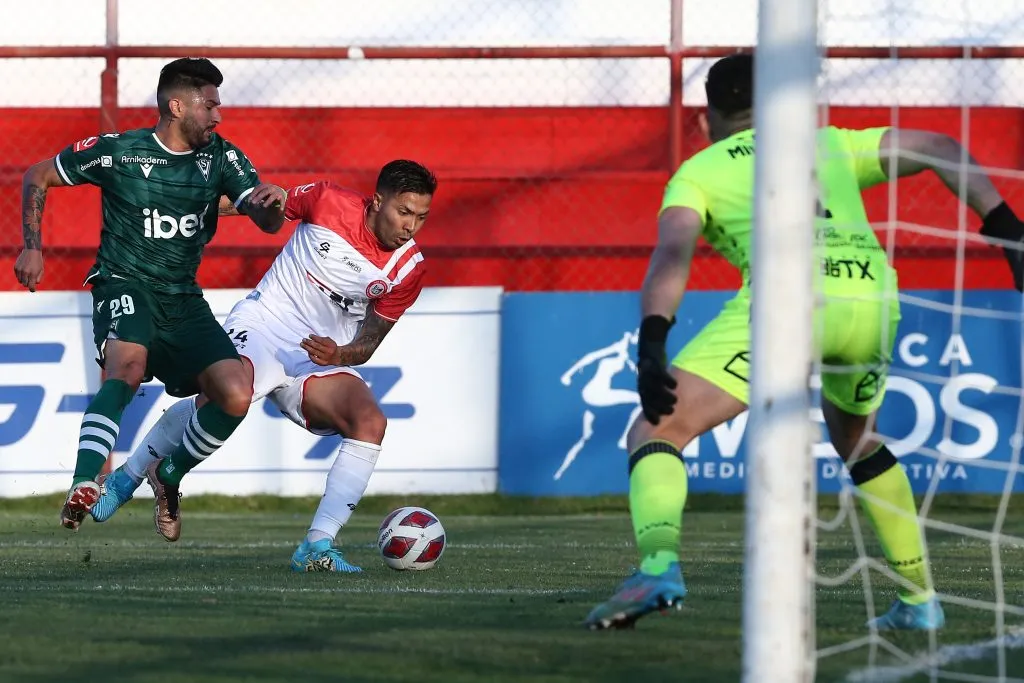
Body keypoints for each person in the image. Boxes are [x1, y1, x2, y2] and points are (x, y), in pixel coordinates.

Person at [584, 53, 1024, 631]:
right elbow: (939, 146)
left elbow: (673, 253)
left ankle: (658, 566)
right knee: (858, 438)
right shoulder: (830, 145)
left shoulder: (700, 170)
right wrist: (1007, 228)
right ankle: (921, 602)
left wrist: (652, 340)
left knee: (657, 428)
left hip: (788, 304)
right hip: (870, 302)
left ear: (706, 117)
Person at [91, 160, 436, 573]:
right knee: (223, 399)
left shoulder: (409, 269)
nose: (410, 226)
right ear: (378, 201)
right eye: (404, 212)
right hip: (264, 326)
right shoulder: (327, 201)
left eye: (421, 217)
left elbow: (368, 342)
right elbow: (253, 205)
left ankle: (317, 544)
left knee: (370, 422)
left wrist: (340, 356)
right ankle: (126, 479)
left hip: (319, 355)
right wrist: (175, 202)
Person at [13, 57, 287, 532]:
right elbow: (38, 175)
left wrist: (272, 205)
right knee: (127, 367)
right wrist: (33, 247)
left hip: (183, 298)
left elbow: (264, 220)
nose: (218, 115)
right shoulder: (120, 152)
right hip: (124, 282)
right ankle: (85, 482)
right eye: (210, 105)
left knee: (235, 394)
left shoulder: (222, 157)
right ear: (177, 105)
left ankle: (169, 472)